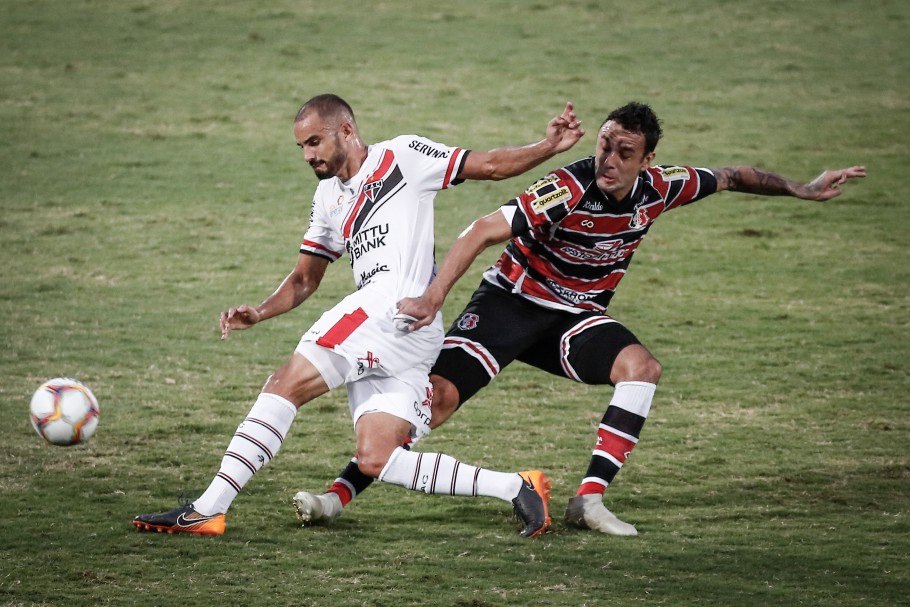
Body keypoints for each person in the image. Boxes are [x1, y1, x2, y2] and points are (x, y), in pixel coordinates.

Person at [292, 101, 866, 536]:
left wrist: (803, 188)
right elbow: (482, 230)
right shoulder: (567, 186)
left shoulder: (663, 189)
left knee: (641, 367)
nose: (607, 161)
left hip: (573, 319)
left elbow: (735, 175)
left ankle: (588, 500)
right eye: (604, 146)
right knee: (431, 405)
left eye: (623, 152)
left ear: (647, 161)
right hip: (508, 306)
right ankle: (339, 494)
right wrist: (438, 295)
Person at [131, 93, 585, 538]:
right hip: (404, 331)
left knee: (284, 383)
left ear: (346, 130)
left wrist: (546, 147)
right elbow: (305, 278)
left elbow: (487, 165)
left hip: (390, 307)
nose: (308, 155)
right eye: (302, 147)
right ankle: (517, 487)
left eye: (315, 142)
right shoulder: (327, 198)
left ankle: (208, 509)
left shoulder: (402, 156)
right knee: (377, 459)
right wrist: (261, 311)